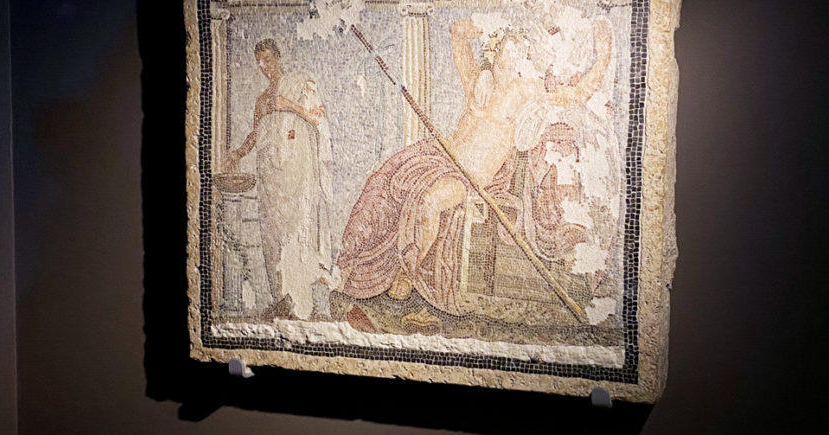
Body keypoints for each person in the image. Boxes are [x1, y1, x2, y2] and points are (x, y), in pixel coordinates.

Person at [336, 17, 611, 320]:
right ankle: (350, 260)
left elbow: (575, 95)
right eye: (509, 50)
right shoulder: (477, 80)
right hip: (440, 157)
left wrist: (603, 56)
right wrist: (473, 32)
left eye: (521, 52)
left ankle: (407, 274)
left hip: (469, 177)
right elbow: (458, 39)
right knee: (385, 181)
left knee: (431, 201)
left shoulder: (523, 90)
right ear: (495, 51)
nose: (515, 57)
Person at [226, 38, 334, 320]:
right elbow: (256, 133)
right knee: (272, 235)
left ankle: (303, 302)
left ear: (277, 56)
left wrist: (298, 110)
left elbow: (314, 117)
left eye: (268, 59)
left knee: (299, 227)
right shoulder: (261, 99)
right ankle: (282, 299)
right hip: (270, 174)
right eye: (259, 62)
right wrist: (238, 153)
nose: (264, 66)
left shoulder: (298, 83)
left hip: (296, 169)